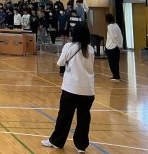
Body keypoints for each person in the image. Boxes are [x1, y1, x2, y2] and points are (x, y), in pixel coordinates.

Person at [42, 22, 95, 153]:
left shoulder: (69, 46)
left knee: (64, 116)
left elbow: (60, 62)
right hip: (88, 90)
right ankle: (81, 145)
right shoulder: (90, 49)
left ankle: (57, 141)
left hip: (71, 88)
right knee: (84, 118)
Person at [105, 13, 123, 81]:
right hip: (116, 47)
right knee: (116, 62)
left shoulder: (109, 26)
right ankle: (116, 75)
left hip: (111, 47)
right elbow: (120, 36)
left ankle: (115, 76)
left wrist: (119, 46)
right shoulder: (116, 25)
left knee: (112, 63)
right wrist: (120, 45)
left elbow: (113, 37)